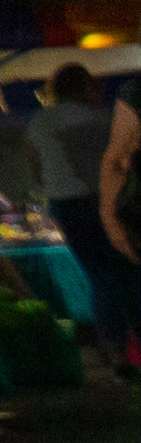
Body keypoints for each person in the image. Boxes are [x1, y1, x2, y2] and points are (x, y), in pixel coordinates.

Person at [21, 63, 141, 364]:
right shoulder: (99, 119)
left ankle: (115, 349)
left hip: (63, 205)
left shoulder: (38, 123)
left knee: (99, 273)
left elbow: (36, 170)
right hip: (101, 201)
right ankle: (124, 345)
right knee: (124, 271)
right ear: (83, 87)